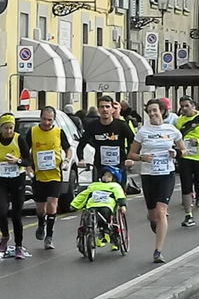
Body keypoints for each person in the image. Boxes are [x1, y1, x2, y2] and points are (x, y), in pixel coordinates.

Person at [127, 98, 188, 263]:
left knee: (162, 212)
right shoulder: (143, 132)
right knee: (153, 215)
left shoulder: (172, 130)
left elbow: (184, 150)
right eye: (150, 111)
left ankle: (158, 251)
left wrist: (177, 153)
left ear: (162, 111)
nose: (153, 113)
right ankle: (156, 223)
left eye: (155, 110)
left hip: (166, 175)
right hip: (148, 176)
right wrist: (141, 157)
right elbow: (131, 154)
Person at [0, 113, 32, 259]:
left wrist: (17, 161)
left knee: (16, 215)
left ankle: (18, 246)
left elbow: (28, 161)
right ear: (1, 128)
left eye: (11, 128)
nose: (9, 131)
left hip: (18, 179)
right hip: (1, 179)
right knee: (1, 210)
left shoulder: (19, 139)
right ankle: (5, 235)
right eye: (6, 128)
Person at [26, 106, 73, 250]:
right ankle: (41, 223)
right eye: (44, 119)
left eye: (50, 120)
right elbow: (24, 151)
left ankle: (49, 237)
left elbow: (68, 149)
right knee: (41, 209)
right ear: (40, 118)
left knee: (53, 204)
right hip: (38, 175)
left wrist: (66, 161)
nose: (47, 123)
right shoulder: (33, 132)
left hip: (55, 175)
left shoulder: (59, 132)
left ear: (54, 120)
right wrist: (28, 167)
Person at [76, 95, 135, 188]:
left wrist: (130, 157)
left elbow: (133, 142)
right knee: (98, 194)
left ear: (112, 109)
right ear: (98, 110)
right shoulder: (92, 126)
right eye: (102, 107)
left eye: (107, 106)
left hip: (119, 166)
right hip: (99, 166)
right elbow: (81, 145)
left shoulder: (121, 125)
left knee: (119, 194)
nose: (105, 109)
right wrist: (81, 159)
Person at [71, 166, 127, 250]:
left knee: (104, 213)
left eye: (109, 176)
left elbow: (120, 195)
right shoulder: (94, 185)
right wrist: (74, 204)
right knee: (88, 214)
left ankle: (107, 233)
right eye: (104, 175)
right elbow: (83, 195)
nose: (106, 177)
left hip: (106, 205)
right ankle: (89, 230)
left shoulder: (115, 186)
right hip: (93, 204)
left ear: (113, 178)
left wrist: (122, 205)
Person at [175, 96, 199, 227]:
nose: (184, 109)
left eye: (186, 106)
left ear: (193, 105)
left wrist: (198, 141)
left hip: (198, 157)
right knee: (186, 187)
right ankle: (188, 215)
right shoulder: (179, 122)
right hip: (185, 158)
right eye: (182, 106)